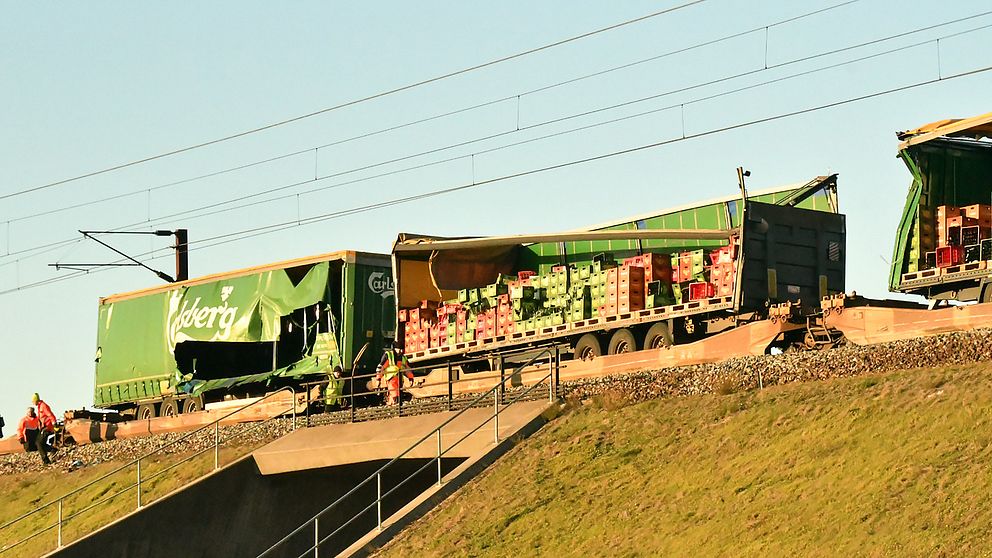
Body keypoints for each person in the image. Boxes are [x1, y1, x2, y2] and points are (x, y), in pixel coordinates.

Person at [32, 393, 57, 464]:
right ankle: (52, 450)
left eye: (33, 401)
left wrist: (54, 423)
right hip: (44, 427)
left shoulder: (43, 406)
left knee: (39, 443)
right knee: (39, 443)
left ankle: (46, 460)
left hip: (47, 427)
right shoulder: (40, 406)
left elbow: (50, 414)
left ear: (35, 400)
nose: (32, 403)